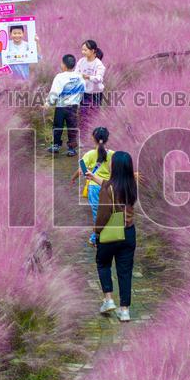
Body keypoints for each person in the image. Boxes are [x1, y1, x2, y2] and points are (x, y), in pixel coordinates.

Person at [90, 151, 138, 322]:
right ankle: (125, 310)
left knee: (103, 264)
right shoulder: (132, 184)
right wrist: (93, 178)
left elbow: (102, 215)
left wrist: (96, 233)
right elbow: (111, 186)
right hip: (128, 233)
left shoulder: (108, 188)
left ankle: (108, 299)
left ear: (115, 167)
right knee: (125, 272)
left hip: (110, 232)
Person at [71, 127, 113, 247]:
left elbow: (81, 170)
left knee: (96, 213)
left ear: (93, 138)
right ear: (107, 139)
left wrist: (73, 178)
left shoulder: (89, 154)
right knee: (108, 211)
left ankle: (96, 238)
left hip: (94, 188)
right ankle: (106, 235)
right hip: (108, 187)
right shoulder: (113, 154)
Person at [43, 55, 84, 156]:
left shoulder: (59, 77)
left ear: (64, 65)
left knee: (57, 126)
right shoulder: (79, 77)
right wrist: (77, 102)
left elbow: (55, 92)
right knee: (72, 127)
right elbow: (82, 90)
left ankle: (56, 145)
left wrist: (48, 102)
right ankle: (72, 148)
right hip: (73, 107)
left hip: (61, 107)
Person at [78, 40, 105, 110]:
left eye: (85, 50)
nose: (83, 52)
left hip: (96, 94)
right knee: (83, 114)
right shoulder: (81, 61)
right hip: (84, 93)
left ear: (93, 51)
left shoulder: (98, 64)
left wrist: (89, 77)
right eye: (82, 50)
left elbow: (99, 79)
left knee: (94, 115)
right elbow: (76, 73)